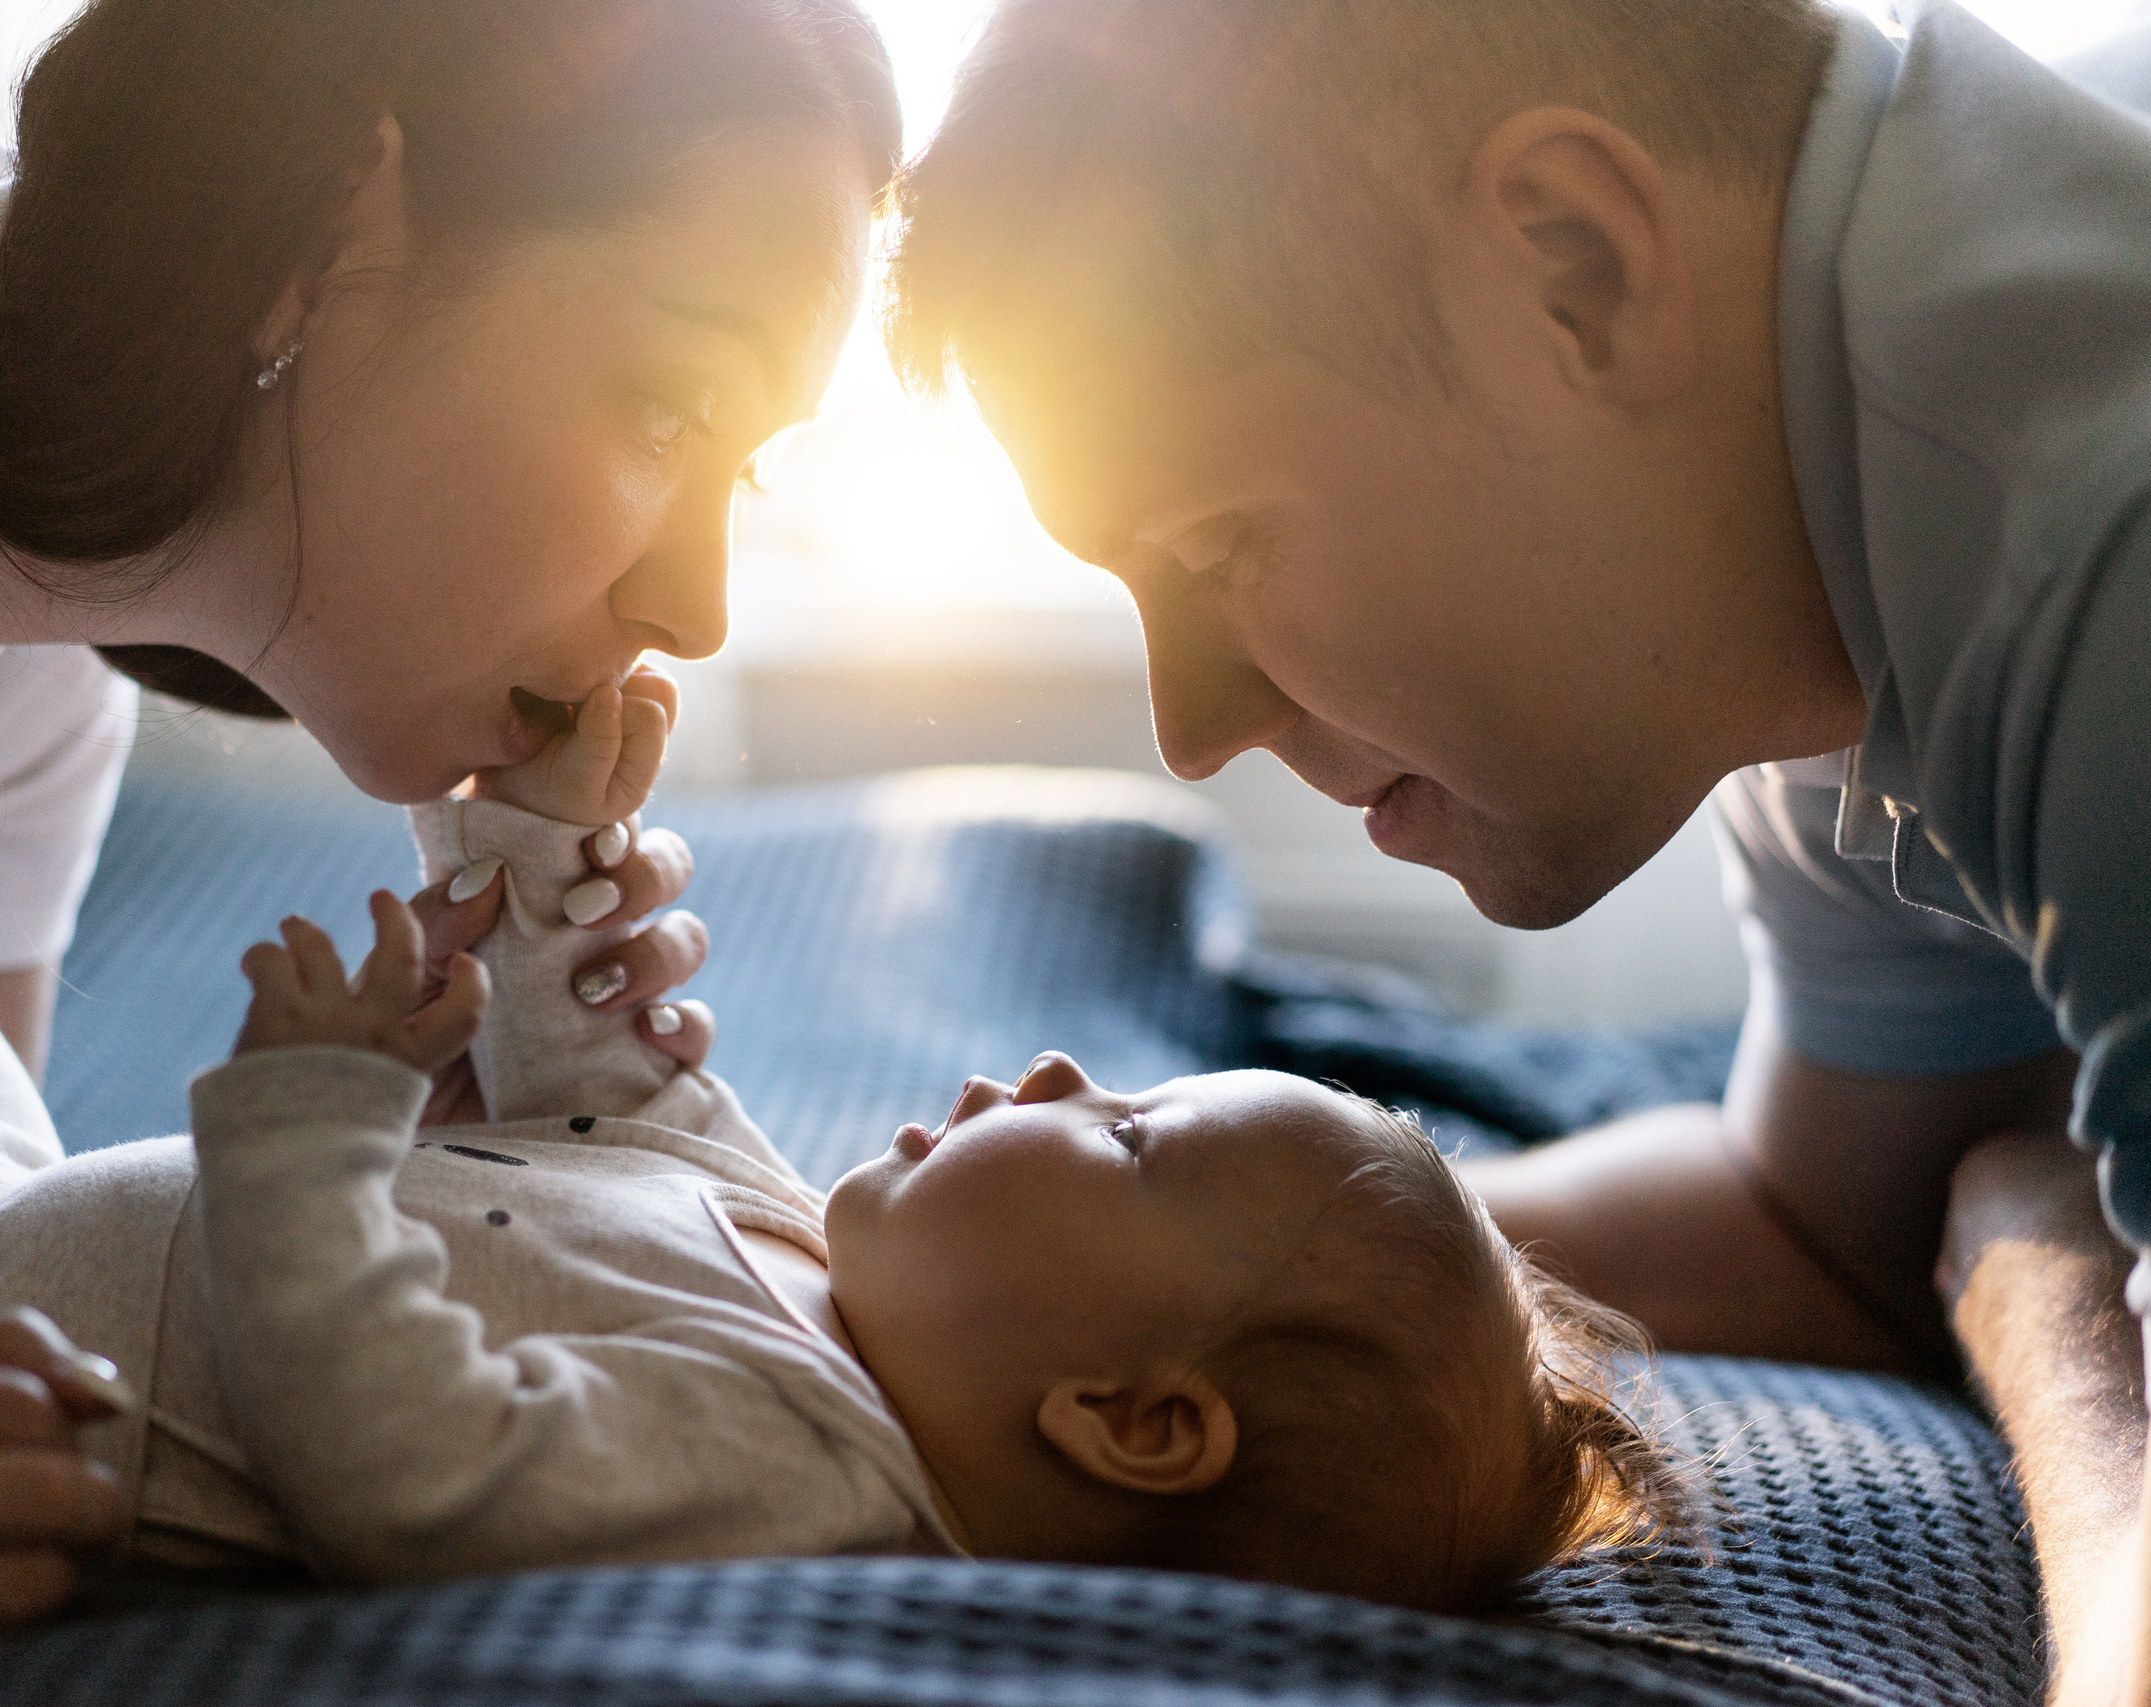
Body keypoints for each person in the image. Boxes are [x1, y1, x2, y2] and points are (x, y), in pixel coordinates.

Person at [0, 0, 899, 1664]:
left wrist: (465, 1212)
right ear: (332, 227)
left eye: (748, 476)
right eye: (667, 406)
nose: (698, 610)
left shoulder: (26, 681)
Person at [879, 0, 2151, 1698]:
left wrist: (2029, 1249)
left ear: (1575, 267)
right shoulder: (1831, 549)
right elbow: (1821, 1218)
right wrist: (1040, 1300)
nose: (1191, 726)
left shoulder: (2100, 551)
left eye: (1219, 541)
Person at [0, 685, 1692, 1641]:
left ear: (1130, 1418)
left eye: (1131, 1128)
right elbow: (603, 1091)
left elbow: (404, 1455)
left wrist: (315, 1116)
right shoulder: (822, 1284)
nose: (1060, 1063)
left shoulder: (793, 1482)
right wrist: (540, 838)